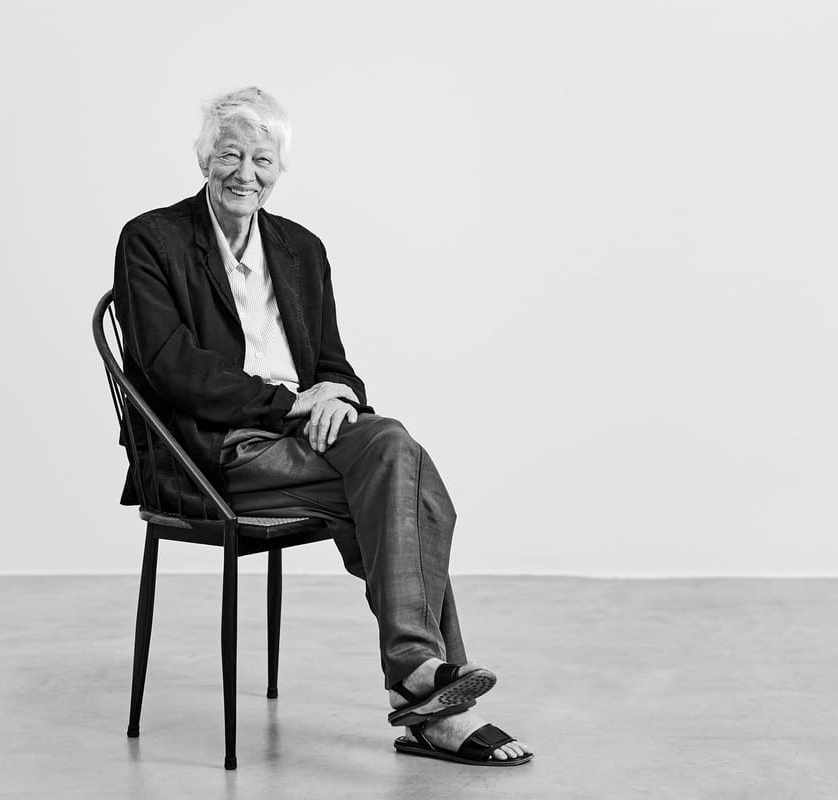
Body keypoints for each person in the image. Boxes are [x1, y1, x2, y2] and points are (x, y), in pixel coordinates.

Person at [112, 86, 531, 767]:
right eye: (229, 155)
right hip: (211, 452)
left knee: (393, 454)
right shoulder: (151, 240)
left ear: (280, 168)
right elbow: (170, 368)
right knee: (408, 488)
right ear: (203, 159)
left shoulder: (301, 249)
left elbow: (332, 362)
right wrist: (290, 405)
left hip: (300, 437)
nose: (245, 173)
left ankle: (421, 680)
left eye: (262, 159)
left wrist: (338, 394)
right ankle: (430, 701)